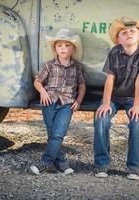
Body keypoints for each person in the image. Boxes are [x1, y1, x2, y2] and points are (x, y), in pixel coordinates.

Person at [94, 16, 139, 180]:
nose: (129, 33)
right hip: (113, 96)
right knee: (101, 119)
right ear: (118, 39)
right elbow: (110, 79)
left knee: (137, 123)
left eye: (133, 31)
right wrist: (106, 103)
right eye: (124, 32)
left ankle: (134, 167)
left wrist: (137, 106)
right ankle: (101, 165)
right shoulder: (114, 52)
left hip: (132, 97)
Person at [30, 28, 86, 175]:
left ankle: (45, 162)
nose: (63, 48)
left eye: (67, 45)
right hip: (49, 102)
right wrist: (42, 91)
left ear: (73, 49)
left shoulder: (77, 67)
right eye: (59, 45)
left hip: (67, 104)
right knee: (53, 134)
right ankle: (61, 163)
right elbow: (37, 81)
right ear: (55, 48)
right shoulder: (49, 65)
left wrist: (79, 101)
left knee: (58, 134)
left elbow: (82, 86)